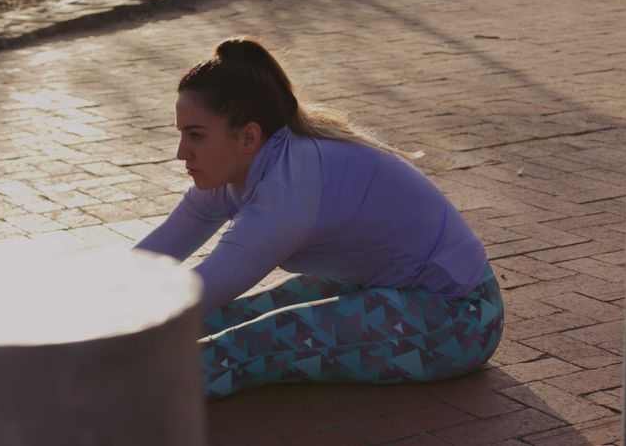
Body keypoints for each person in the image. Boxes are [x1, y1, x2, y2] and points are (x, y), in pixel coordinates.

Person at [136, 37, 503, 399]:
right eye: (181, 133)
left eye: (196, 136)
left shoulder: (289, 188)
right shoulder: (240, 166)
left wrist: (98, 342)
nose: (182, 152)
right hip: (378, 286)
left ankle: (107, 400)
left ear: (248, 137)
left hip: (461, 318)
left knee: (251, 341)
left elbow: (199, 292)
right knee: (230, 316)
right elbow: (147, 262)